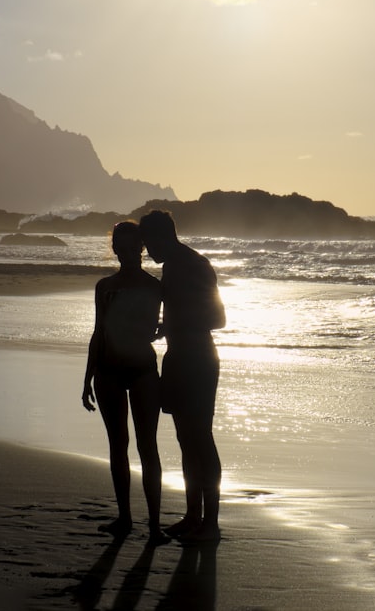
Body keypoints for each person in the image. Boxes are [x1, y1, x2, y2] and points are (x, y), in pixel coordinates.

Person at [138, 210, 226, 544]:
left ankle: (211, 522)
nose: (146, 251)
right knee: (185, 440)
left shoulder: (194, 264)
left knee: (201, 437)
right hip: (176, 357)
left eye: (148, 243)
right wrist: (165, 329)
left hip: (199, 360)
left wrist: (172, 326)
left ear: (163, 236)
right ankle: (193, 515)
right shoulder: (172, 266)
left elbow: (218, 318)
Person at [82, 221, 168, 544]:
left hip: (143, 370)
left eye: (133, 247)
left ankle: (156, 526)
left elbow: (161, 326)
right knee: (118, 445)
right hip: (108, 371)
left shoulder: (154, 286)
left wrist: (159, 331)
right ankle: (125, 518)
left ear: (140, 249)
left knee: (148, 446)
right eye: (121, 246)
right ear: (115, 248)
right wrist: (87, 377)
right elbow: (98, 332)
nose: (128, 252)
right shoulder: (104, 287)